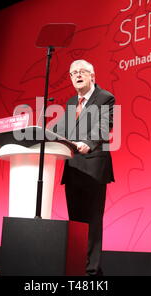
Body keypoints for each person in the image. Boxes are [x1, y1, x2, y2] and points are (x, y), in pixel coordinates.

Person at [53, 59, 115, 276]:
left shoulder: (105, 98)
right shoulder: (71, 103)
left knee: (92, 223)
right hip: (73, 168)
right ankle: (78, 268)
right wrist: (41, 135)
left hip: (93, 168)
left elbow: (104, 127)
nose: (77, 75)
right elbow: (59, 130)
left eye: (82, 72)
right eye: (73, 73)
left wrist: (87, 144)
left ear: (92, 76)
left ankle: (92, 272)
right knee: (76, 224)